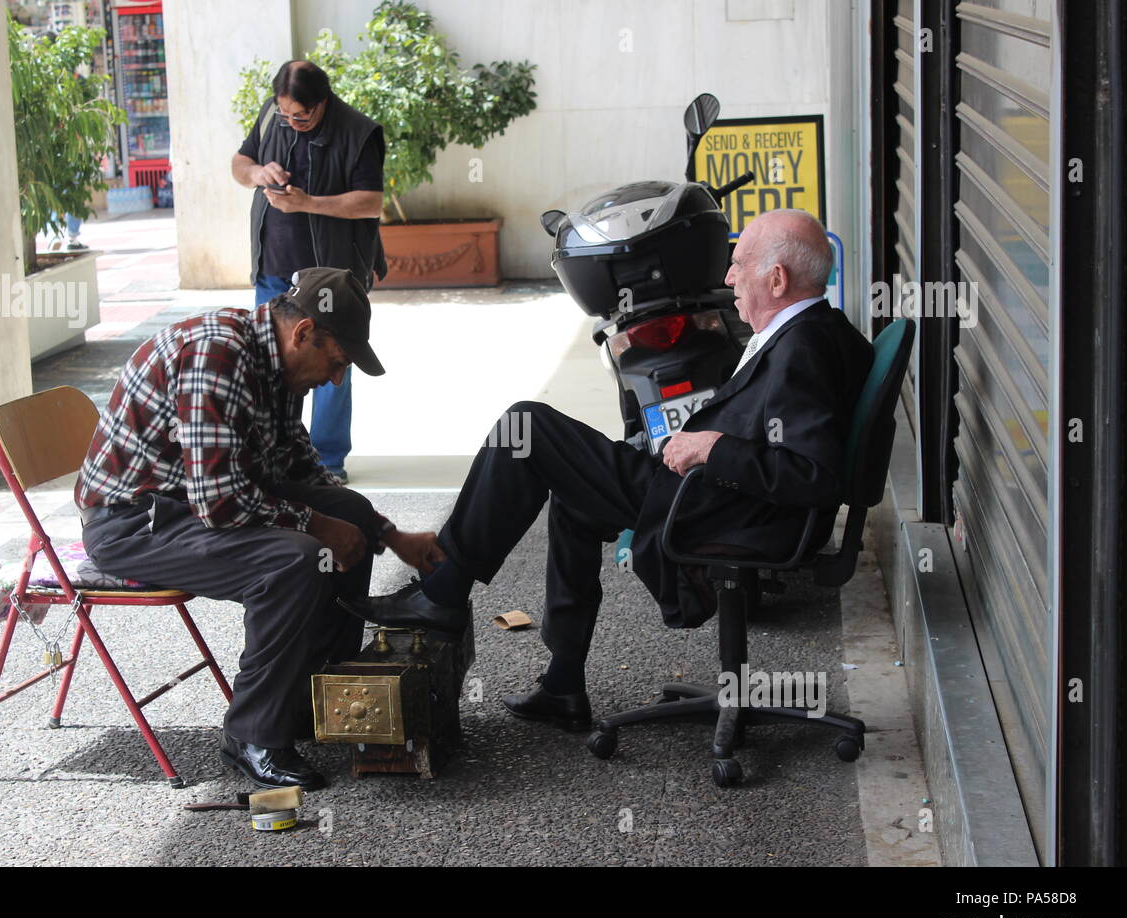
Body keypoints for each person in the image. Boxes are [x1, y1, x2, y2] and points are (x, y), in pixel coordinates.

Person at [342, 210, 873, 732]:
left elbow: (812, 474)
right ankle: (563, 684)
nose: (728, 276)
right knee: (573, 499)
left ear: (776, 279)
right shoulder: (816, 331)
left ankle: (443, 591)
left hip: (715, 507)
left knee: (527, 426)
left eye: (739, 264)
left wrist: (711, 447)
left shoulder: (802, 347)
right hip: (713, 495)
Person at [75, 267, 443, 791]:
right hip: (136, 522)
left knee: (352, 514)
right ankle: (253, 733)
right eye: (336, 363)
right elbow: (220, 502)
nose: (336, 379)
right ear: (303, 333)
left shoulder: (278, 363)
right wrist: (317, 526)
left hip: (192, 503)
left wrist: (386, 532)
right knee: (292, 561)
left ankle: (317, 701)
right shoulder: (216, 355)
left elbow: (296, 462)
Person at [232, 60, 387, 481]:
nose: (291, 122)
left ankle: (328, 459)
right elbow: (239, 163)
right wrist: (257, 172)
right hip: (273, 267)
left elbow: (371, 202)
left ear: (323, 103)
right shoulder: (272, 116)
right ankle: (274, 454)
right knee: (269, 362)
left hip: (331, 276)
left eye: (300, 115)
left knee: (332, 359)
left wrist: (309, 203)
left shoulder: (357, 133)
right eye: (285, 114)